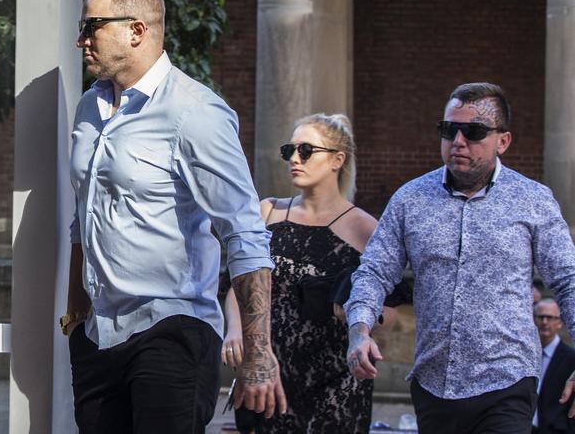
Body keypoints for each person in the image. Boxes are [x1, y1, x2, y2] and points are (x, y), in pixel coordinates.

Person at [63, 0, 286, 433]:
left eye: (92, 26)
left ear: (136, 30)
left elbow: (244, 234)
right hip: (97, 336)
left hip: (172, 330)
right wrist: (75, 314)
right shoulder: (89, 107)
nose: (81, 39)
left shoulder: (196, 112)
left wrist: (258, 355)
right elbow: (82, 216)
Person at [344, 82, 575, 434]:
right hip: (433, 383)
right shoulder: (411, 199)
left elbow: (567, 278)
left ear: (503, 141)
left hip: (507, 381)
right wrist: (359, 330)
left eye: (474, 131)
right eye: (449, 129)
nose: (458, 141)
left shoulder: (533, 199)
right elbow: (374, 271)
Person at [223, 113, 407, 433]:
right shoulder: (268, 211)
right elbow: (239, 285)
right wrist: (236, 331)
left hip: (335, 379)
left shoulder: (364, 228)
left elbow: (392, 313)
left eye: (306, 151)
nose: (294, 159)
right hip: (271, 373)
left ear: (337, 160)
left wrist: (352, 312)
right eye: (289, 151)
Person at [533, 299, 575, 434]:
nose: (545, 322)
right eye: (541, 317)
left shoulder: (571, 358)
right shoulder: (524, 356)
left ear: (560, 322)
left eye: (550, 317)